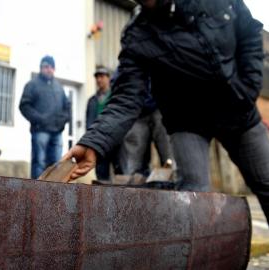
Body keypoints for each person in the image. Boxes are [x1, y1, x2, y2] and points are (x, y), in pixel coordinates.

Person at [63, 0, 269, 223]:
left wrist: (248, 87)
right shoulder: (138, 35)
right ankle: (200, 254)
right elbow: (125, 99)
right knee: (194, 197)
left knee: (267, 180)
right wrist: (94, 142)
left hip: (238, 109)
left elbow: (249, 32)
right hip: (187, 121)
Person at [19, 55, 70, 179]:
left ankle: (52, 193)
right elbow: (24, 106)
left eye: (52, 67)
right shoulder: (32, 85)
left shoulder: (58, 86)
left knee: (56, 164)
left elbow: (67, 106)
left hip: (57, 132)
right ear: (41, 68)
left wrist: (62, 121)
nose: (49, 69)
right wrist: (39, 120)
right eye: (46, 66)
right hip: (40, 131)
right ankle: (37, 192)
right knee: (39, 163)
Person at [118, 80, 174, 177]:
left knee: (170, 159)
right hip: (137, 110)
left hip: (161, 107)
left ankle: (175, 182)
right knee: (133, 164)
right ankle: (133, 184)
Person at [86, 66, 120, 180]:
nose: (99, 80)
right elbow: (89, 123)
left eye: (101, 76)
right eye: (97, 77)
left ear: (108, 78)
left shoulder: (116, 97)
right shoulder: (92, 101)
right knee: (101, 175)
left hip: (115, 141)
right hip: (99, 143)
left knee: (120, 172)